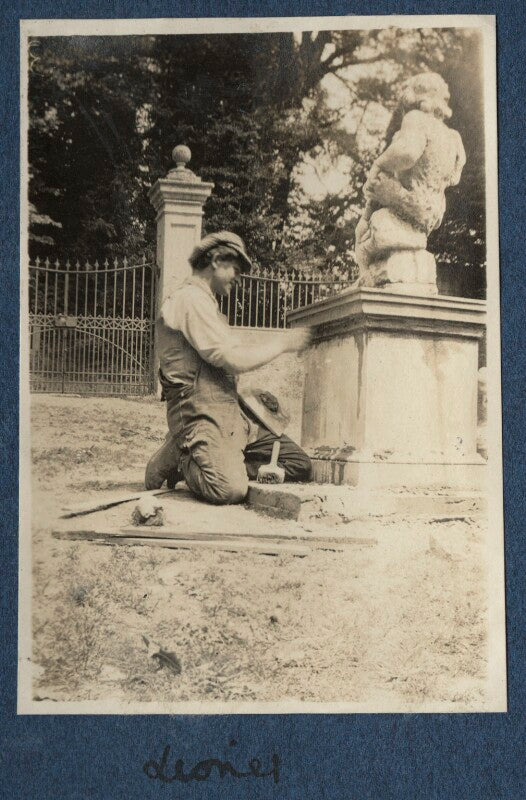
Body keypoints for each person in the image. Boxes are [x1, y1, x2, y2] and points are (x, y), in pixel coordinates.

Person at [145, 231, 311, 504]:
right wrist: (282, 344)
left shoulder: (207, 305)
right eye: (235, 269)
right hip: (200, 414)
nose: (238, 278)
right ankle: (181, 455)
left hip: (231, 414)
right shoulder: (190, 300)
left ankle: (219, 460)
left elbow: (227, 368)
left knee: (298, 463)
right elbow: (229, 358)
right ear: (216, 261)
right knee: (228, 489)